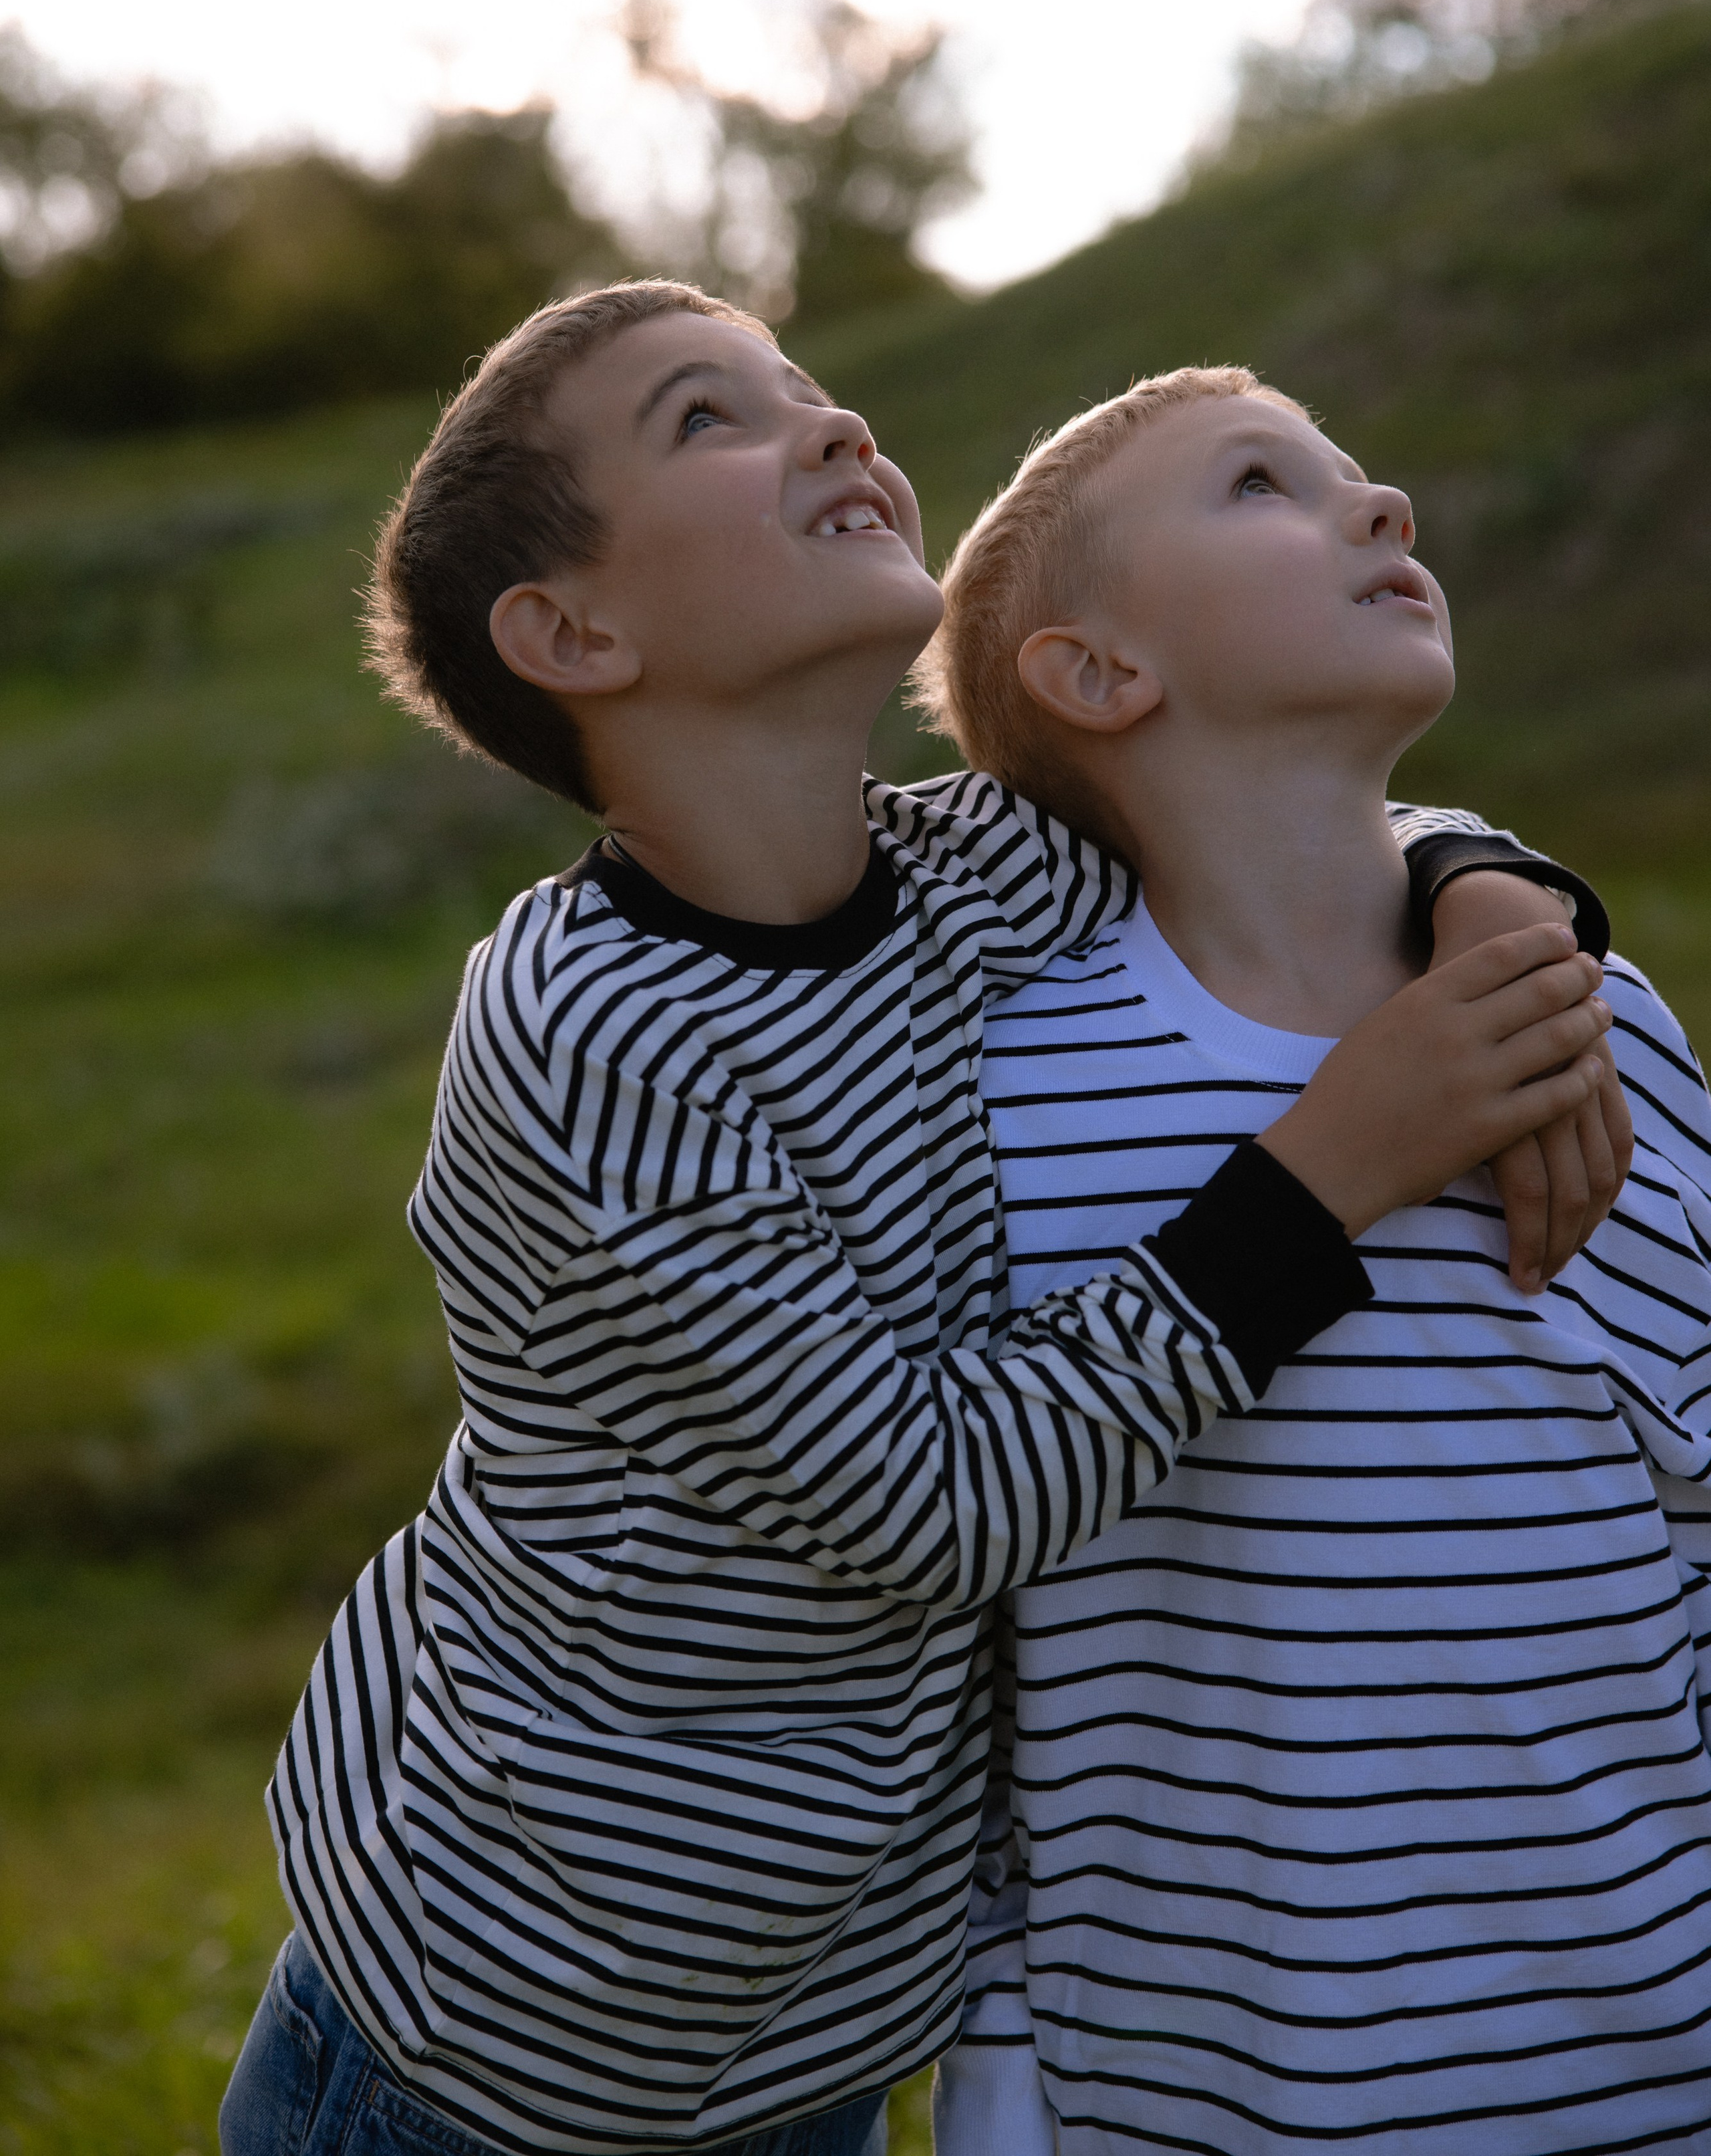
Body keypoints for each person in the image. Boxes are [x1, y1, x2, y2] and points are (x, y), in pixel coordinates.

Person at [223, 289, 1617, 2156]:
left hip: (820, 2014)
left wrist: (1494, 894)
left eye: (812, 386)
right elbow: (922, 1505)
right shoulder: (592, 1033)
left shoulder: (968, 874)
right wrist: (1331, 1165)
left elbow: (1279, 799)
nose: (831, 424)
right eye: (712, 417)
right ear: (574, 632)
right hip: (515, 2016)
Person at [920, 365, 1711, 2156]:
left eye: (1360, 473)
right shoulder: (1007, 1095)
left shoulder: (1591, 1023)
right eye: (1267, 485)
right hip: (1213, 2099)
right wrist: (995, 2074)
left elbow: (1703, 1502)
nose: (1383, 507)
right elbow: (970, 1659)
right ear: (1100, 673)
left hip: (1653, 2065)